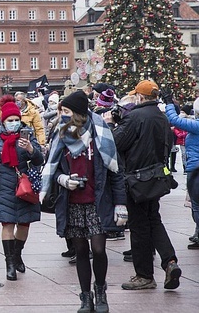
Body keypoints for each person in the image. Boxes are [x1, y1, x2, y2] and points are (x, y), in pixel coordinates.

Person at [41, 90, 125, 312]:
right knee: (80, 251)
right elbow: (53, 167)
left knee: (98, 249)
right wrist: (63, 179)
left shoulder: (100, 134)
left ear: (78, 113)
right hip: (72, 201)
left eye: (66, 111)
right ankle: (85, 297)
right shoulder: (60, 135)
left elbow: (115, 171)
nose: (63, 116)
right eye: (61, 111)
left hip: (98, 200)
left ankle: (100, 290)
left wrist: (120, 204)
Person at [112, 80, 181, 290]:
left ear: (140, 97)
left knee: (140, 227)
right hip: (156, 179)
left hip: (135, 180)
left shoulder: (134, 117)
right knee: (154, 221)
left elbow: (116, 142)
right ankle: (170, 262)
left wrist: (115, 123)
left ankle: (144, 275)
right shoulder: (161, 117)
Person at [0, 99, 44, 281]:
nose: (14, 123)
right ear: (3, 121)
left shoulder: (27, 135)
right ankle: (10, 264)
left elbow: (39, 160)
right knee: (7, 223)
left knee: (24, 224)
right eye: (10, 120)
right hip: (3, 186)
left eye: (17, 119)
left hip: (25, 185)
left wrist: (31, 149)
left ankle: (17, 254)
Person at [163, 96, 199, 250]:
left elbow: (175, 120)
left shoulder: (196, 126)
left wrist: (170, 105)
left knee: (196, 204)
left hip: (196, 167)